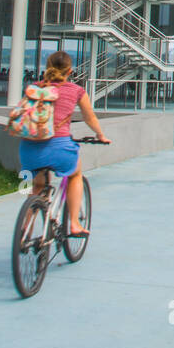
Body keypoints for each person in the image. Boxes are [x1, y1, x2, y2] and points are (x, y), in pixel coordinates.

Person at [18, 51, 110, 237]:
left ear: (48, 67)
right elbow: (89, 117)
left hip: (28, 149)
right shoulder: (75, 90)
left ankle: (24, 231)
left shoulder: (34, 88)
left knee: (36, 187)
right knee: (76, 174)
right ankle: (75, 224)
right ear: (70, 71)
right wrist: (100, 135)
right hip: (59, 147)